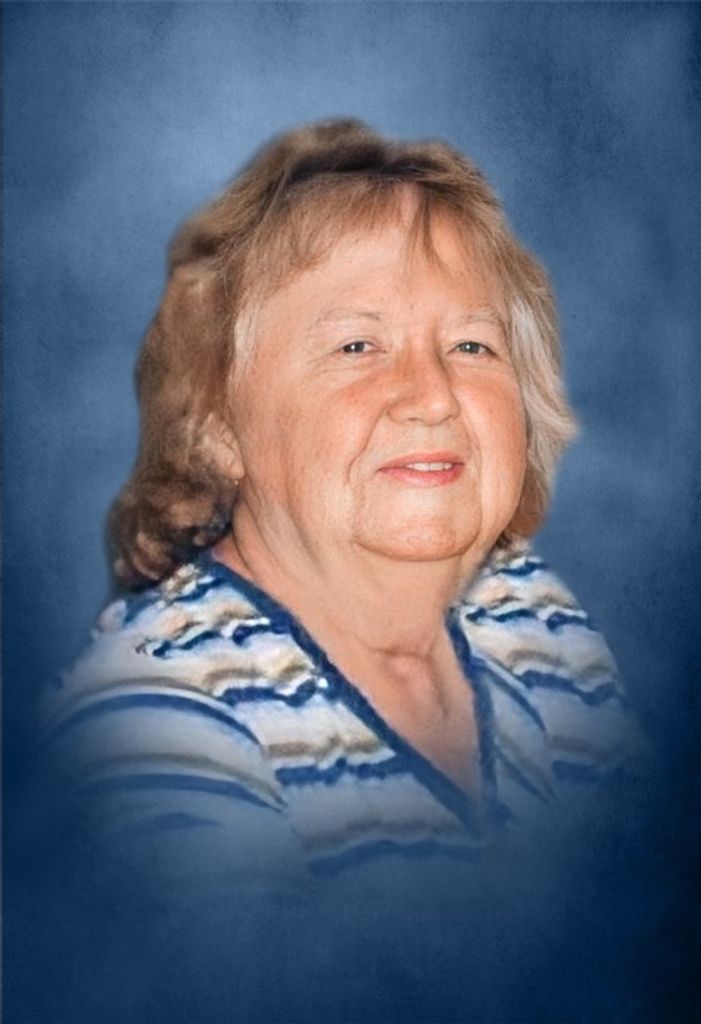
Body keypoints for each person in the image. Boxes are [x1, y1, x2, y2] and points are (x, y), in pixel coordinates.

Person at [40, 119, 643, 1022]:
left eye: (472, 346)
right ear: (218, 425)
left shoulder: (535, 619)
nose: (433, 395)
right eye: (357, 346)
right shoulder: (153, 719)